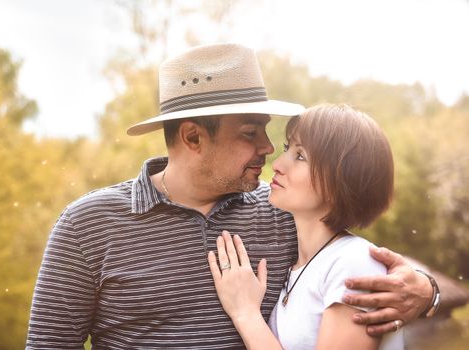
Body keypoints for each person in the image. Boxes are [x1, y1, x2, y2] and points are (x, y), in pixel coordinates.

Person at [26, 44, 439, 349]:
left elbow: (371, 267)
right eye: (249, 133)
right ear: (192, 137)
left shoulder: (284, 212)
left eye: (266, 130)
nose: (266, 147)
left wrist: (426, 290)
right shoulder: (88, 225)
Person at [208, 103, 407, 349]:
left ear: (341, 180)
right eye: (287, 148)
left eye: (300, 156)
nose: (278, 163)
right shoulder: (299, 266)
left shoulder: (353, 263)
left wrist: (246, 313)